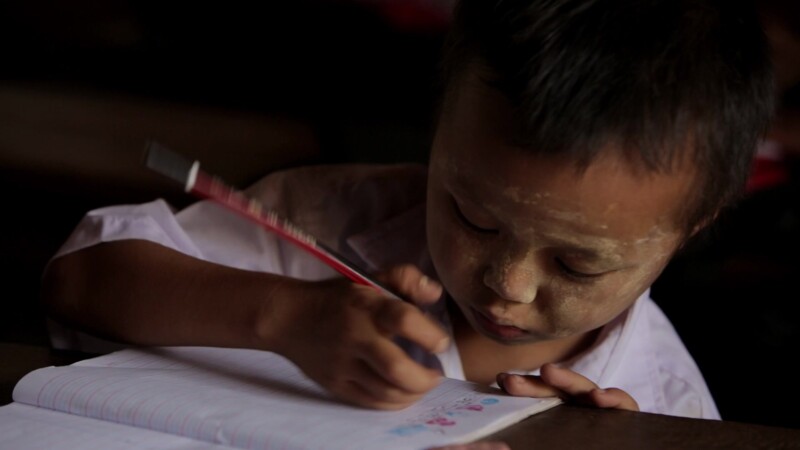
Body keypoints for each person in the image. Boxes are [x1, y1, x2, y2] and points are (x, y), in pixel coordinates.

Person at [41, 0, 773, 421]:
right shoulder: (323, 217)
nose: (507, 286)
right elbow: (77, 283)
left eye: (578, 262)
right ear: (441, 132)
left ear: (692, 230)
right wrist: (285, 317)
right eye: (473, 218)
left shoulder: (664, 406)